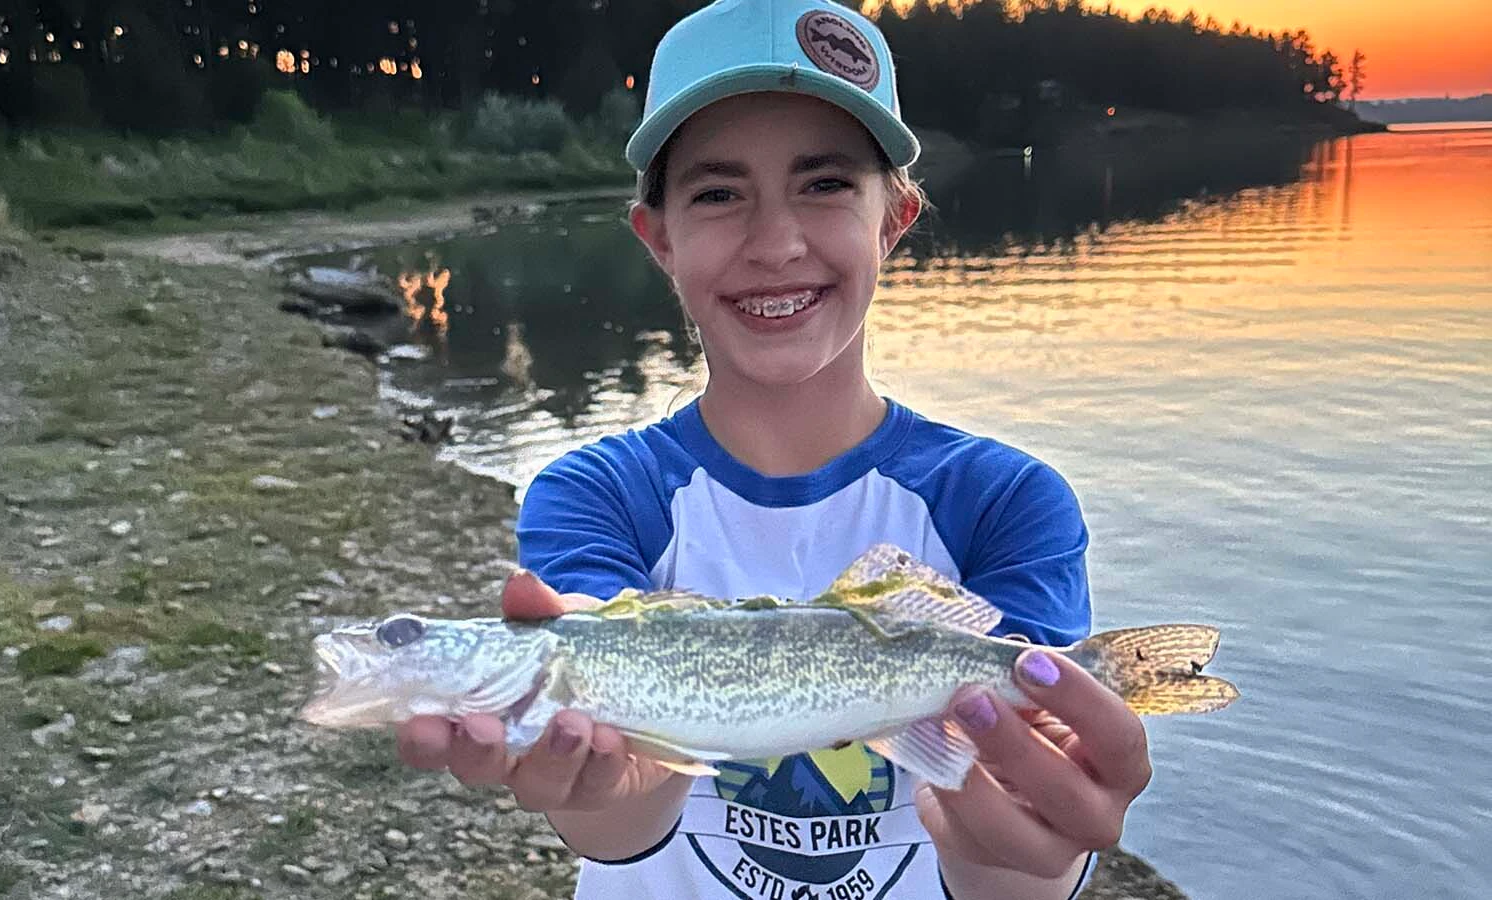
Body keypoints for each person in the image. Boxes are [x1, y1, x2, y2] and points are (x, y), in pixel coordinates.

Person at [397, 0, 1153, 897]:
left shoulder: (1005, 501)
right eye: (718, 193)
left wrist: (1029, 845)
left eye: (825, 184)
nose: (776, 243)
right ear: (659, 237)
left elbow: (1022, 854)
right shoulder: (595, 495)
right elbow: (614, 818)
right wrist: (614, 781)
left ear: (894, 219)